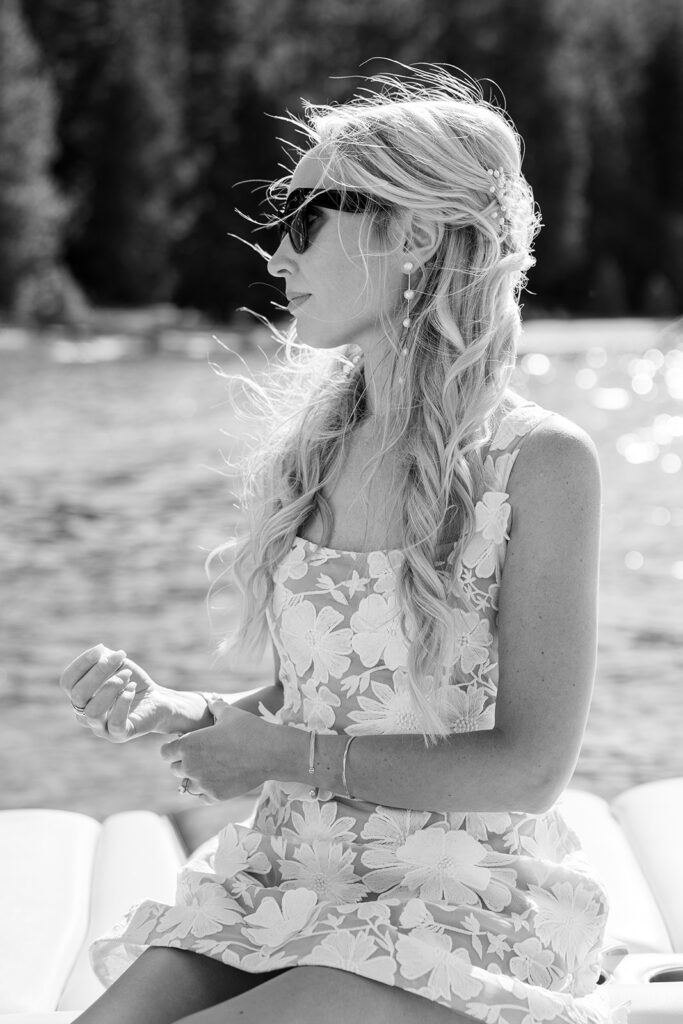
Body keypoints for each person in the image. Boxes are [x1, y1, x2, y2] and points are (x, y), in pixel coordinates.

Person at [60, 66, 626, 1024]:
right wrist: (183, 709)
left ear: (410, 233)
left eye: (304, 217)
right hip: (287, 870)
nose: (275, 255)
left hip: (457, 898)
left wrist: (278, 755)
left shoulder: (538, 464)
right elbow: (324, 698)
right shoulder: (310, 454)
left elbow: (531, 767)